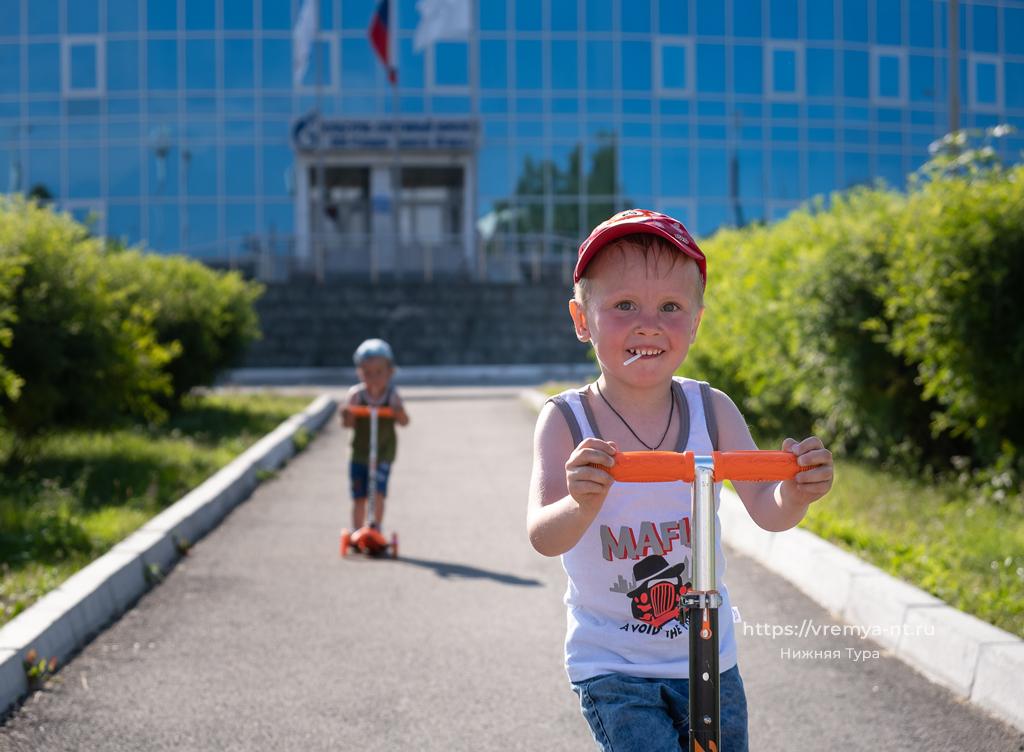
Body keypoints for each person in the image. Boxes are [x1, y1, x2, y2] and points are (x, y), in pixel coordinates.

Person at [526, 209, 834, 751]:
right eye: (624, 306)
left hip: (708, 656)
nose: (649, 324)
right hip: (612, 661)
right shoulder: (568, 420)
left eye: (671, 307)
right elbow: (544, 536)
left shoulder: (710, 410)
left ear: (694, 322)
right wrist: (579, 503)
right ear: (581, 319)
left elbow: (769, 510)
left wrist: (796, 490)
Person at [340, 338, 409, 530]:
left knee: (378, 493)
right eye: (367, 372)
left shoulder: (392, 395)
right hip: (359, 453)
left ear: (390, 372)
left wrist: (398, 411)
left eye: (379, 372)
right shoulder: (356, 395)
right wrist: (347, 413)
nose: (374, 377)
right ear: (360, 372)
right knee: (359, 496)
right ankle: (356, 531)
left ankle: (375, 527)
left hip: (383, 453)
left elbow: (404, 422)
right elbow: (348, 424)